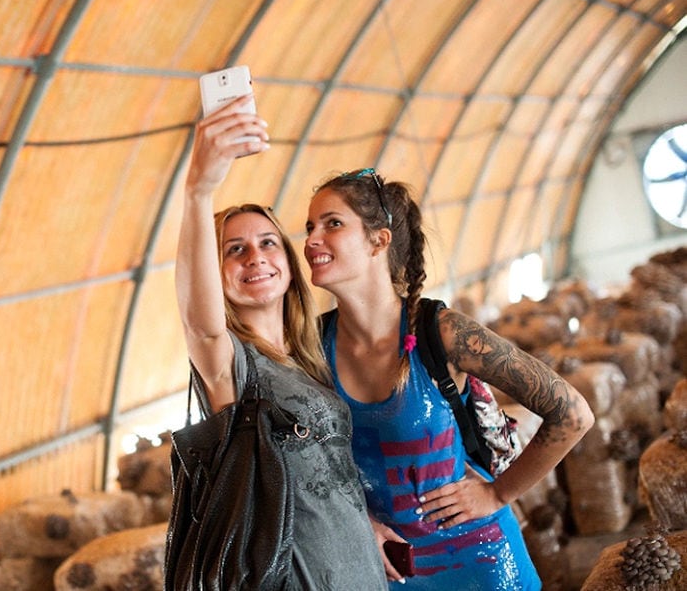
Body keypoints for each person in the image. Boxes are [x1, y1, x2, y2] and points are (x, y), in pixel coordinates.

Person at [304, 168, 596, 589]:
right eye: (310, 227)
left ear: (378, 240)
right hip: (390, 573)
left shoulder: (443, 332)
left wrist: (497, 494)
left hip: (482, 563)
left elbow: (572, 413)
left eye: (333, 224)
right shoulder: (313, 347)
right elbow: (307, 463)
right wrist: (362, 520)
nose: (313, 239)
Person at [175, 98, 389, 589]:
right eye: (234, 250)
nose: (256, 257)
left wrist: (365, 526)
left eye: (268, 243)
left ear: (289, 261)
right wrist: (198, 191)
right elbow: (202, 326)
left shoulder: (310, 357)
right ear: (216, 271)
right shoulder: (231, 364)